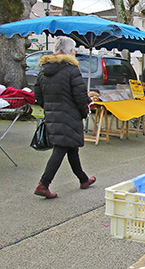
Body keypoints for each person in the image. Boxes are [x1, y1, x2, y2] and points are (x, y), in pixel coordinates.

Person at [33, 37, 96, 199]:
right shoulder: (72, 70)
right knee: (61, 148)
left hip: (53, 115)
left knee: (71, 147)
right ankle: (43, 184)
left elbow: (38, 95)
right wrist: (84, 112)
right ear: (70, 51)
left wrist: (49, 108)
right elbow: (81, 97)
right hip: (70, 115)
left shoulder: (43, 70)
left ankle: (83, 179)